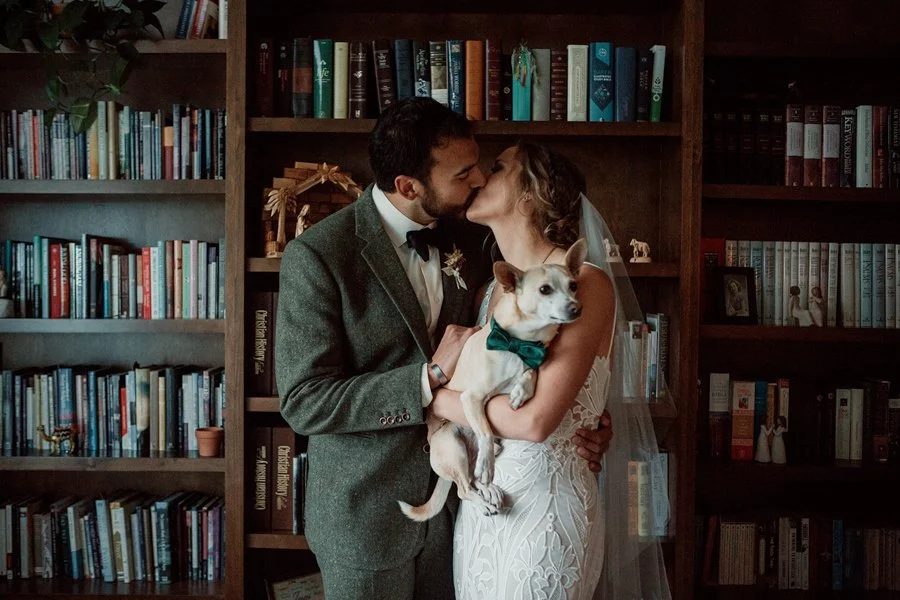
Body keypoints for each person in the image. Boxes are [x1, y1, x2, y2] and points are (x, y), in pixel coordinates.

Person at [275, 97, 612, 600]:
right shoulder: (320, 256)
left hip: (466, 511)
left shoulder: (476, 244)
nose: (477, 180)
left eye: (484, 167)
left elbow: (535, 363)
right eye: (465, 172)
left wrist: (584, 421)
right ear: (410, 186)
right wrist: (424, 382)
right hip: (367, 517)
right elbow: (305, 399)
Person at [428, 141, 672, 600]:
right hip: (482, 513)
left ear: (528, 196)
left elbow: (537, 421)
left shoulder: (584, 285)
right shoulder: (487, 293)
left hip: (546, 513)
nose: (478, 176)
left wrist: (431, 395)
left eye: (497, 167)